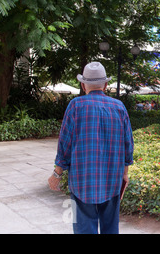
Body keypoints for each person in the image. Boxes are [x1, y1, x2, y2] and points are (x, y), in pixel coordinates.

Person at [48, 62, 134, 234]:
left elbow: (65, 144)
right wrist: (124, 174)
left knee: (83, 229)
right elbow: (128, 145)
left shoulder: (75, 106)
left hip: (82, 181)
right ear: (106, 85)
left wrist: (56, 174)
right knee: (111, 229)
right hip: (112, 180)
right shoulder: (119, 107)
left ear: (83, 84)